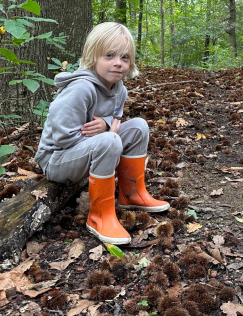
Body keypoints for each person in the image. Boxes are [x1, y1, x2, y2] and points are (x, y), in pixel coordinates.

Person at [34, 22, 168, 245]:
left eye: (124, 58)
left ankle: (131, 194)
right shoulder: (81, 88)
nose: (118, 63)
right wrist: (104, 136)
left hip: (87, 148)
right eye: (109, 56)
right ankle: (99, 216)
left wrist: (106, 126)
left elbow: (115, 120)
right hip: (56, 159)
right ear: (93, 57)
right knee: (109, 141)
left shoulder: (119, 88)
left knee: (138, 127)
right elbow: (63, 137)